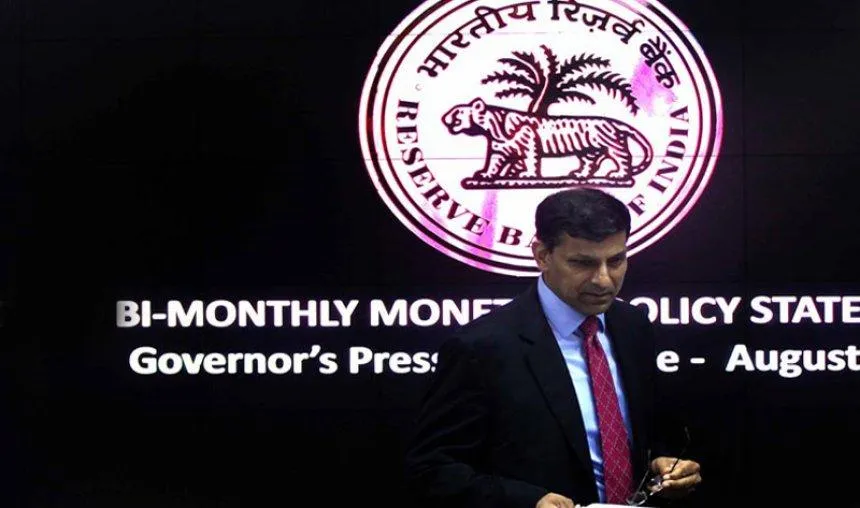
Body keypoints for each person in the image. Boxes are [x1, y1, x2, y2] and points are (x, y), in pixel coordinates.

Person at [404, 187, 702, 508]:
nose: (603, 280)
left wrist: (666, 466)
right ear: (542, 255)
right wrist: (529, 502)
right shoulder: (482, 348)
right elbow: (432, 470)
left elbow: (652, 434)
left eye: (616, 260)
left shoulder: (634, 326)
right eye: (583, 263)